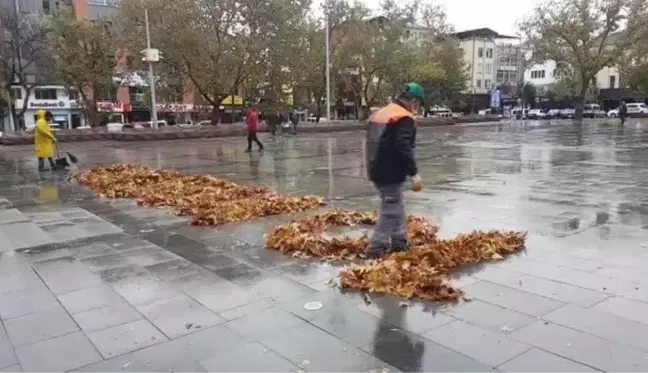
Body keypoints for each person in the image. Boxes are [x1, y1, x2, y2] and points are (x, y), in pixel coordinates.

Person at [365, 82, 424, 258]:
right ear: (413, 101)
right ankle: (376, 247)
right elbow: (403, 147)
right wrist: (414, 173)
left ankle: (399, 242)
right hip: (390, 171)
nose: (417, 108)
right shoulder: (403, 117)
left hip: (376, 167)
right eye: (418, 104)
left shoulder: (382, 113)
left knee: (396, 205)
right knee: (391, 210)